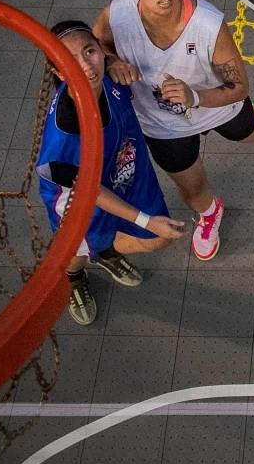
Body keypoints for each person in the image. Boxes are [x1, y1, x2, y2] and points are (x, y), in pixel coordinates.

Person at [93, 0, 254, 261]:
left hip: (217, 106)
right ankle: (209, 214)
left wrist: (194, 96)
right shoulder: (116, 17)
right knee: (193, 188)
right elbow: (98, 47)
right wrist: (112, 62)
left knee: (250, 135)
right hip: (162, 125)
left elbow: (238, 86)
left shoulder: (208, 24)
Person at [37, 20, 185, 325]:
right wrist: (144, 219)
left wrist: (116, 60)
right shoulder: (64, 135)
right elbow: (88, 190)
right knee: (79, 249)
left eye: (89, 52)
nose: (86, 67)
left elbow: (109, 30)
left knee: (159, 240)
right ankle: (75, 277)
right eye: (70, 61)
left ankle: (104, 252)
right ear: (59, 72)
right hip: (81, 199)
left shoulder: (110, 79)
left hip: (122, 173)